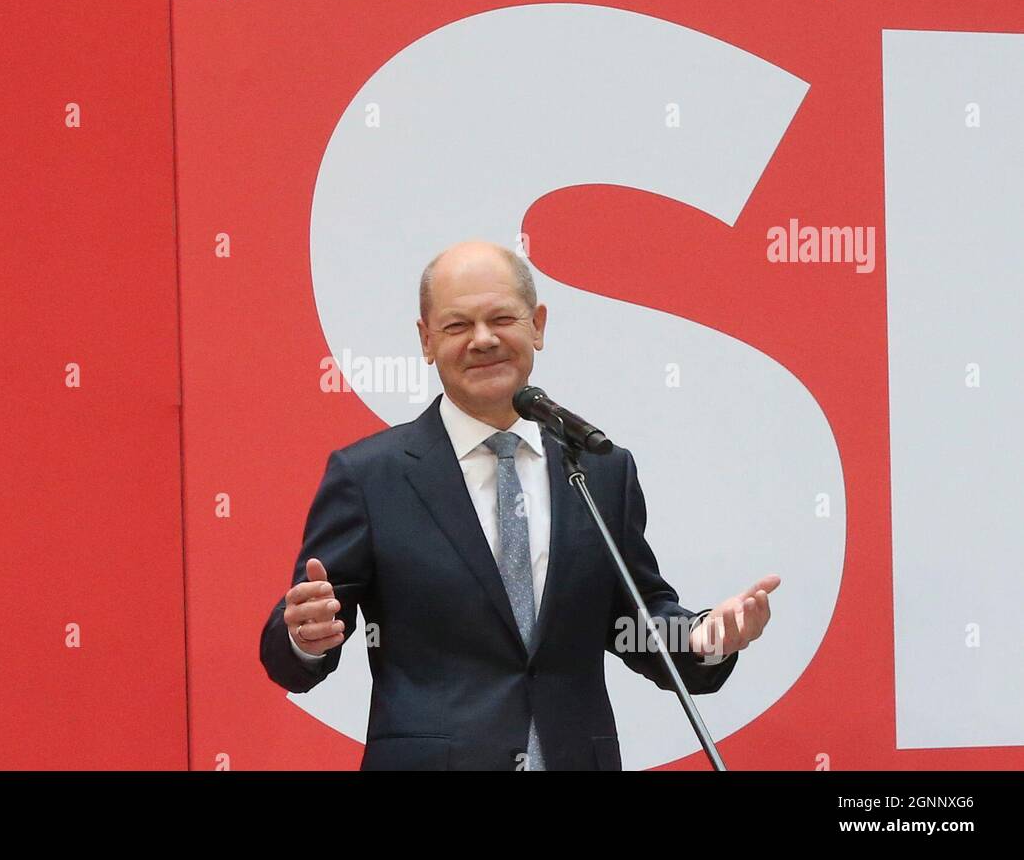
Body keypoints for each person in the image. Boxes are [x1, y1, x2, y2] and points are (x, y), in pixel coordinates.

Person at [260, 240, 779, 770]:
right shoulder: (371, 477)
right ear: (426, 340)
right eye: (458, 325)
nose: (483, 340)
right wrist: (303, 636)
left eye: (501, 318)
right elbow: (291, 656)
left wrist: (701, 635)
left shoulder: (599, 467)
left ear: (537, 325)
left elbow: (637, 620)